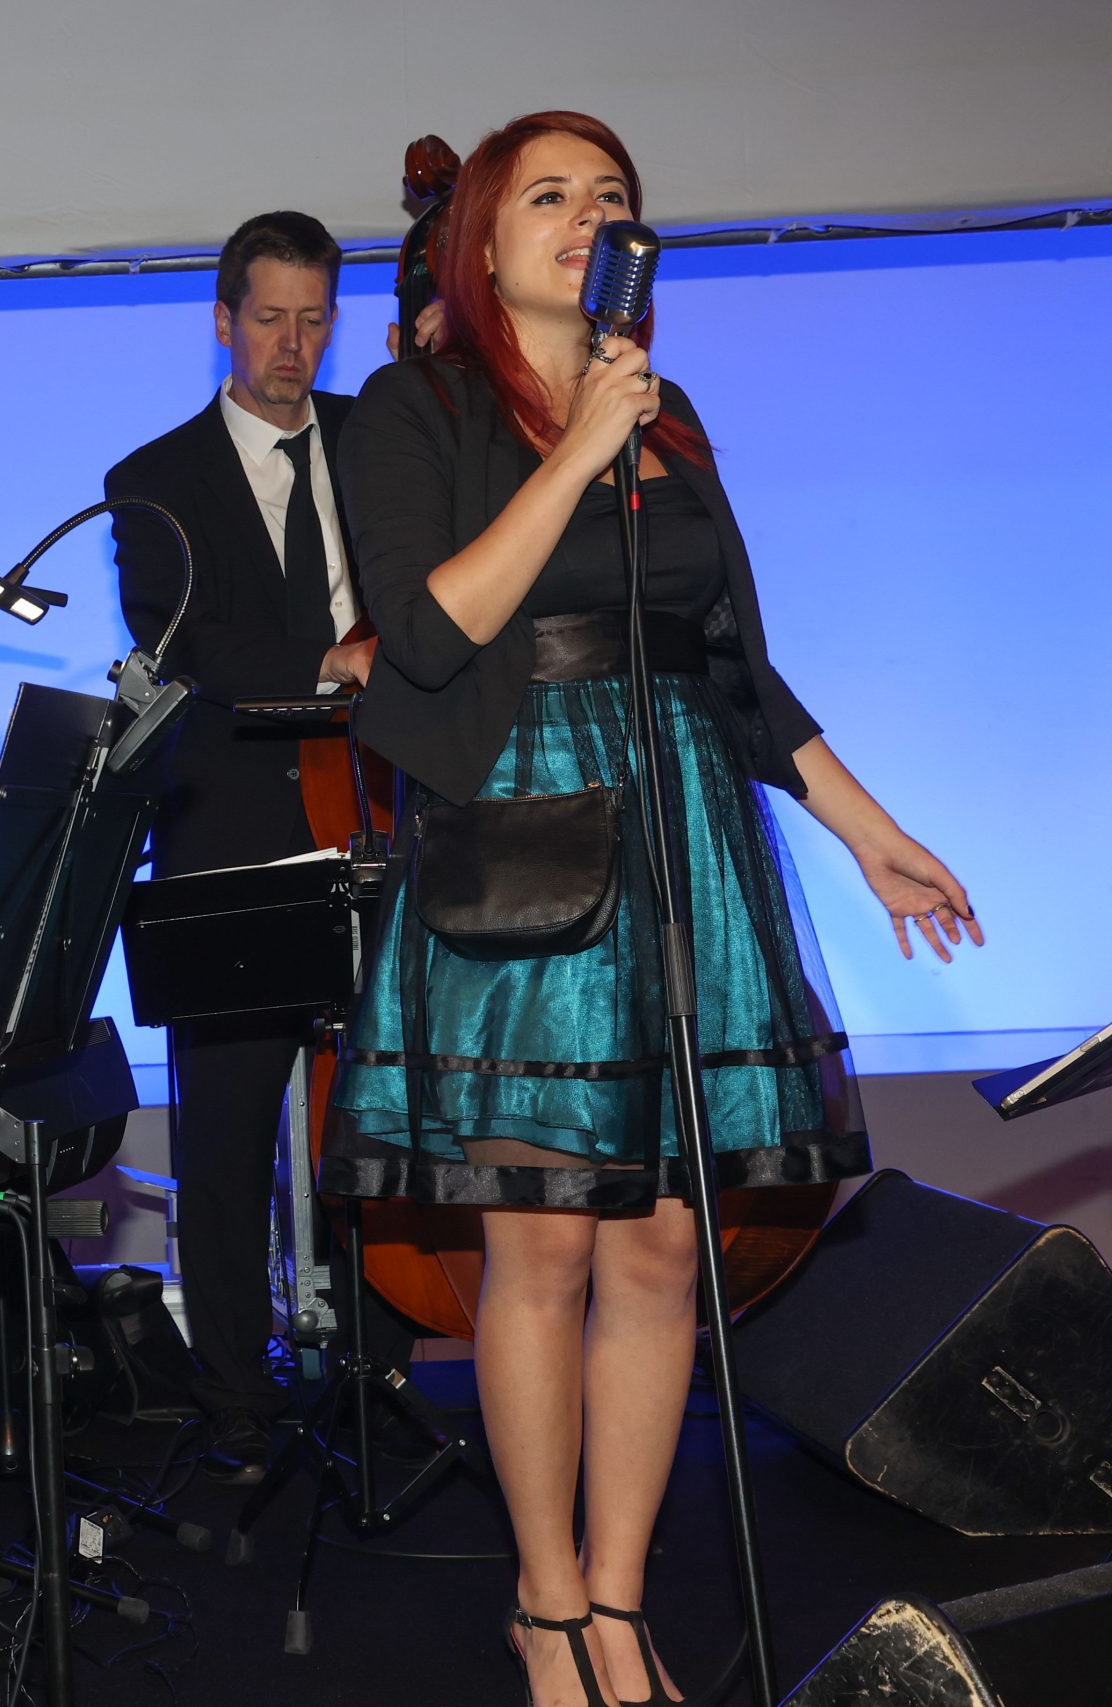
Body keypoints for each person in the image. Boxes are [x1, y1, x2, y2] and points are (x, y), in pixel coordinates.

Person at [321, 112, 981, 1707]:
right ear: (480, 243)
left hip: (684, 823)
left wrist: (870, 829)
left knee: (667, 1241)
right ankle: (544, 1603)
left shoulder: (667, 414)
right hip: (525, 831)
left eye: (610, 196)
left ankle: (618, 1598)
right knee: (540, 1237)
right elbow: (429, 631)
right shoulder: (418, 406)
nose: (588, 215)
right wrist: (573, 449)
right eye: (549, 194)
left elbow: (735, 658)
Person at [105, 211, 415, 1480]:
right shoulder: (152, 479)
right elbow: (185, 644)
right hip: (228, 835)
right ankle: (235, 1390)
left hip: (382, 813)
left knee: (387, 1113)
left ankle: (382, 1365)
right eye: (270, 319)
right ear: (222, 321)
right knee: (226, 1133)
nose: (293, 345)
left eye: (314, 319)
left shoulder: (378, 441)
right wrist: (332, 662)